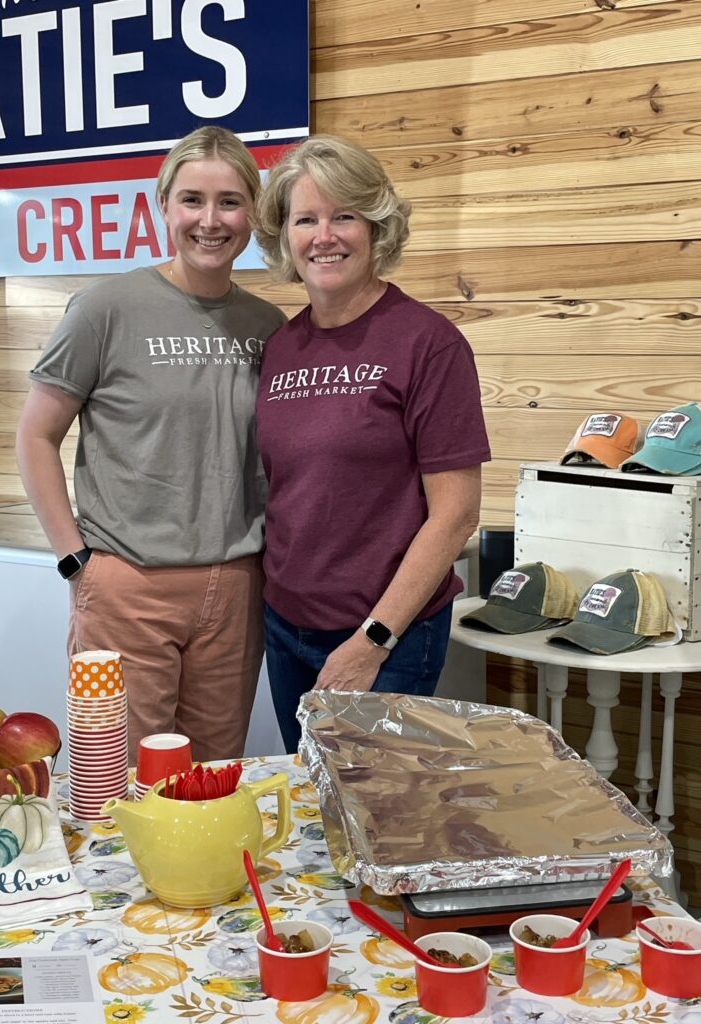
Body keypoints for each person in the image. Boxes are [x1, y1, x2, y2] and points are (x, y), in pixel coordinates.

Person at [16, 126, 286, 763]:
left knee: (215, 777)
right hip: (126, 586)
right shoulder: (106, 307)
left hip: (238, 589)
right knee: (118, 783)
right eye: (192, 200)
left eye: (230, 201)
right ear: (163, 204)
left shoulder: (267, 326)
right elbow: (35, 434)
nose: (210, 220)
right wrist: (75, 562)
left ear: (252, 211)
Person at [254, 134, 491, 753]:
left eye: (344, 216)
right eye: (306, 218)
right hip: (286, 626)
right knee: (314, 808)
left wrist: (372, 640)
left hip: (388, 635)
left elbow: (456, 512)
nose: (323, 235)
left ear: (376, 226)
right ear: (286, 234)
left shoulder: (427, 343)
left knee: (381, 823)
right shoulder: (282, 346)